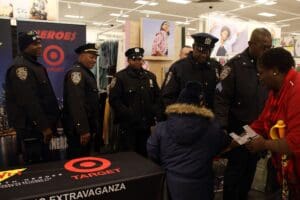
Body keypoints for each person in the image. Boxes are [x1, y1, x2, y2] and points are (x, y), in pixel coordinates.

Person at [214, 28, 272, 200]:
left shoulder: (267, 66)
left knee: (250, 171)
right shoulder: (234, 66)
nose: (266, 51)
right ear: (251, 44)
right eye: (263, 47)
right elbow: (221, 98)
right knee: (235, 173)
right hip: (238, 130)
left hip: (258, 131)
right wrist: (222, 128)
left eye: (269, 47)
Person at [147, 81, 231, 200]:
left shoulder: (161, 128)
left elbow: (152, 150)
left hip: (172, 186)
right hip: (202, 187)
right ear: (201, 103)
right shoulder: (212, 128)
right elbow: (223, 145)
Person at [246, 47, 300, 199]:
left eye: (262, 72)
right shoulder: (277, 91)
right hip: (284, 170)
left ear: (275, 71)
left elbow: (295, 143)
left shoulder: (297, 91)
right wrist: (236, 140)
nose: (259, 77)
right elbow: (262, 122)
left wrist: (264, 145)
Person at [5, 30, 60, 164]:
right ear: (25, 46)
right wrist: (43, 127)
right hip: (33, 129)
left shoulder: (33, 65)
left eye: (40, 43)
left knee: (46, 163)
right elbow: (29, 101)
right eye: (35, 44)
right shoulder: (21, 67)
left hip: (38, 128)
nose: (40, 46)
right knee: (37, 167)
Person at [109, 47, 164, 157]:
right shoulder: (120, 77)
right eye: (135, 59)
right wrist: (128, 113)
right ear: (129, 60)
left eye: (140, 59)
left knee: (145, 153)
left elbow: (158, 97)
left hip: (146, 125)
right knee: (129, 156)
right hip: (128, 125)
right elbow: (114, 100)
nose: (138, 62)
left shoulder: (150, 76)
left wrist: (153, 111)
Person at [161, 32, 221, 110]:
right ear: (193, 47)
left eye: (208, 51)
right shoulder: (179, 67)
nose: (204, 55)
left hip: (210, 118)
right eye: (201, 50)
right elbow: (167, 97)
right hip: (185, 118)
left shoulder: (215, 67)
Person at [63, 43, 103, 159]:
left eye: (95, 58)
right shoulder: (77, 73)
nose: (94, 60)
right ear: (81, 56)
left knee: (84, 159)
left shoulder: (86, 73)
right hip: (78, 130)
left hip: (85, 127)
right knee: (77, 160)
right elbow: (76, 103)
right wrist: (83, 130)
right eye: (91, 57)